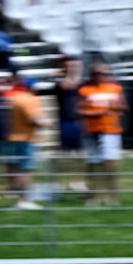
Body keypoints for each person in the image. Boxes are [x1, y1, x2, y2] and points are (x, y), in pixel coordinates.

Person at [77, 65, 127, 206]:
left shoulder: (115, 89)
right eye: (96, 73)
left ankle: (112, 196)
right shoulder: (85, 90)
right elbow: (78, 111)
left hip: (111, 130)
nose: (100, 76)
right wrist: (96, 114)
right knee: (93, 163)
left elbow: (124, 108)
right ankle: (93, 195)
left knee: (110, 163)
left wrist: (117, 108)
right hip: (91, 131)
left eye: (103, 73)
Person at [1, 75, 46, 209]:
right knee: (25, 171)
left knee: (15, 169)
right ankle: (25, 200)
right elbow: (32, 119)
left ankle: (17, 201)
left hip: (11, 138)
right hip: (26, 139)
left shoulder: (13, 98)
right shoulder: (30, 100)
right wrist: (45, 123)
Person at [54, 56, 88, 193]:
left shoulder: (80, 79)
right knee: (64, 153)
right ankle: (60, 182)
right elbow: (67, 86)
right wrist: (74, 72)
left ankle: (77, 181)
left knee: (79, 152)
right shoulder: (57, 75)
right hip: (65, 119)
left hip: (78, 119)